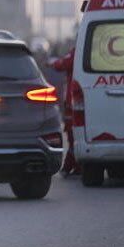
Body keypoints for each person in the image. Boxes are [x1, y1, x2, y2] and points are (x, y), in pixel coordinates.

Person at [50, 47, 79, 176]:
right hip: (75, 97)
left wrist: (53, 63)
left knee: (72, 132)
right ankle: (73, 164)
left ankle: (73, 164)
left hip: (73, 98)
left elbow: (63, 64)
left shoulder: (76, 51)